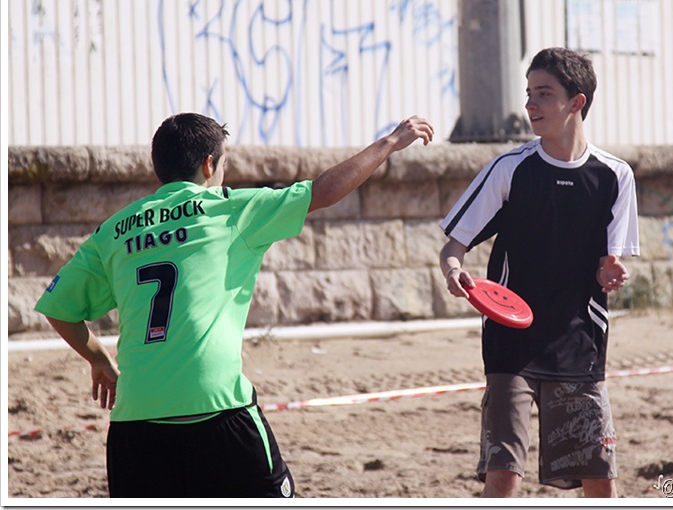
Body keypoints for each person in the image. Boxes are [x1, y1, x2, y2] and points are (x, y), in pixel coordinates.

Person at [34, 112, 434, 498]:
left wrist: (98, 359)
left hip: (134, 421)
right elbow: (324, 190)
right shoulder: (229, 209)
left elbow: (59, 308)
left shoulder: (113, 230)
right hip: (217, 408)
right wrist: (390, 142)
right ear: (209, 165)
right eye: (224, 164)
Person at [439, 47, 639, 498]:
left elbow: (609, 263)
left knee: (600, 479)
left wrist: (610, 271)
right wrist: (454, 271)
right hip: (510, 343)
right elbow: (453, 246)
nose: (530, 104)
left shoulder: (614, 176)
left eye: (544, 93)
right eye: (529, 93)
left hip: (580, 343)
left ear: (576, 102)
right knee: (504, 473)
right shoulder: (510, 168)